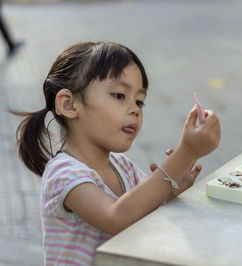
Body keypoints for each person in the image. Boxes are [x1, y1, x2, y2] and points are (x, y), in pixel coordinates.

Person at [14, 41, 220, 265]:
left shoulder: (122, 166)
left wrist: (170, 192)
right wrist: (185, 153)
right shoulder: (63, 173)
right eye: (120, 95)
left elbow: (142, 211)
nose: (135, 110)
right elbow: (115, 217)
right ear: (70, 105)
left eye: (140, 101)